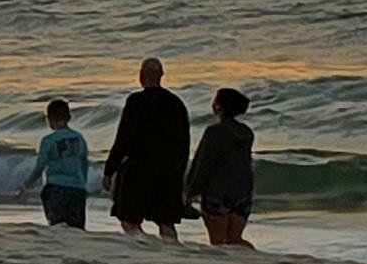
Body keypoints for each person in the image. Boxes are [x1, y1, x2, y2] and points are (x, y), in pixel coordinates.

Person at [106, 57, 190, 239]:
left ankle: (144, 246)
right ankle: (170, 252)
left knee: (129, 219)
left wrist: (109, 169)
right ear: (161, 75)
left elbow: (123, 138)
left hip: (138, 168)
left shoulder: (136, 101)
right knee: (166, 221)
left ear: (143, 76)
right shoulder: (176, 103)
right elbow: (185, 143)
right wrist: (181, 173)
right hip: (168, 170)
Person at [188, 86, 255, 248]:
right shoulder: (246, 132)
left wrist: (190, 191)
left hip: (217, 192)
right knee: (235, 239)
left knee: (218, 242)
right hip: (243, 191)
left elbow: (203, 163)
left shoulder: (214, 132)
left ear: (218, 106)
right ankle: (253, 260)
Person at [26, 99, 89, 229]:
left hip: (56, 187)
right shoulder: (79, 138)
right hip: (77, 188)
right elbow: (84, 162)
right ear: (69, 117)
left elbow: (40, 166)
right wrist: (83, 182)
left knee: (58, 227)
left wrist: (27, 184)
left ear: (49, 119)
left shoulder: (49, 140)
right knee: (77, 228)